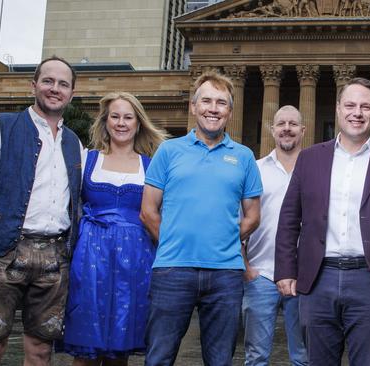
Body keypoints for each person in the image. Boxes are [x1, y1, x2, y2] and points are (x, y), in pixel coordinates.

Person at [275, 77, 370, 365]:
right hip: (318, 278)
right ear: (338, 109)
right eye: (351, 105)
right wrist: (285, 270)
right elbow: (289, 217)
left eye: (366, 106)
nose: (358, 112)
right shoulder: (310, 158)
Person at [0, 56, 82, 365]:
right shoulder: (1, 125)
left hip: (55, 259)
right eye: (48, 81)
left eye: (63, 84)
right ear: (34, 85)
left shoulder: (74, 143)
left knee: (41, 353)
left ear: (71, 93)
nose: (55, 89)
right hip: (2, 252)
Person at [140, 70, 263, 366]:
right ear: (193, 107)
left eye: (221, 103)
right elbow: (148, 211)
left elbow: (253, 216)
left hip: (225, 274)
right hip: (173, 270)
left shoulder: (244, 157)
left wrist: (221, 240)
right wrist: (174, 241)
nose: (213, 108)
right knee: (158, 357)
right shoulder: (168, 151)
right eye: (206, 101)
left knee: (220, 360)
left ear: (230, 112)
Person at [62, 92, 168, 365]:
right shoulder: (87, 159)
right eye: (115, 116)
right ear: (105, 121)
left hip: (135, 261)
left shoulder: (152, 165)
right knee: (85, 350)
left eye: (128, 117)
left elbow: (161, 212)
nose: (121, 123)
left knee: (119, 350)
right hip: (90, 259)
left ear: (138, 123)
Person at [242, 105, 307, 366]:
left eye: (293, 124)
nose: (287, 129)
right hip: (261, 274)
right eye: (281, 124)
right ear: (272, 130)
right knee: (256, 357)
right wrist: (246, 268)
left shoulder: (315, 170)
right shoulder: (255, 169)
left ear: (303, 130)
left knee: (304, 357)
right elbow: (239, 220)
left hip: (304, 277)